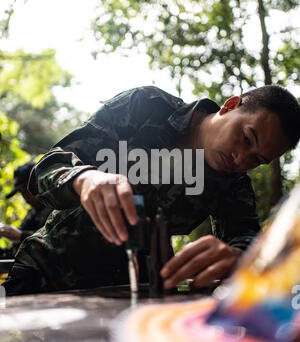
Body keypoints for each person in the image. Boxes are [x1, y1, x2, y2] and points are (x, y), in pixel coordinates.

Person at [3, 85, 300, 296]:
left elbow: (249, 239)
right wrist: (84, 179)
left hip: (130, 295)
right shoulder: (145, 107)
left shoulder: (233, 183)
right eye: (247, 138)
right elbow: (47, 169)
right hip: (45, 273)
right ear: (231, 105)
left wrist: (238, 257)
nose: (241, 159)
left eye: (257, 159)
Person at [0, 162, 52, 258]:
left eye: (25, 191)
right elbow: (16, 253)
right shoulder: (33, 212)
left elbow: (56, 243)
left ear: (37, 184)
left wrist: (20, 236)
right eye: (21, 193)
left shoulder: (57, 208)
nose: (25, 197)